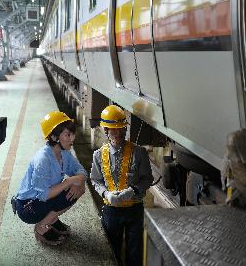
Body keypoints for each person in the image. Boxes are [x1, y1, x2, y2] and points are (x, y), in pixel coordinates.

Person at [90, 105, 153, 266]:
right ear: (106, 130)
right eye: (113, 130)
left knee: (135, 252)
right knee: (112, 250)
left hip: (134, 209)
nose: (117, 133)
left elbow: (148, 179)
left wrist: (133, 191)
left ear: (125, 129)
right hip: (111, 211)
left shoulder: (139, 152)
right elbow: (95, 180)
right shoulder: (98, 155)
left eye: (120, 129)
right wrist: (106, 194)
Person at [15, 111, 87, 246]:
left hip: (43, 198)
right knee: (70, 188)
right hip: (29, 206)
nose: (73, 138)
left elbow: (80, 170)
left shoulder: (64, 152)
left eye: (72, 134)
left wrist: (80, 180)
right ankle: (42, 226)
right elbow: (43, 195)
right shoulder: (43, 160)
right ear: (54, 137)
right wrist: (69, 181)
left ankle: (51, 219)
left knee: (79, 187)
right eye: (68, 134)